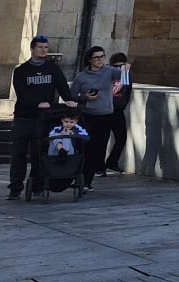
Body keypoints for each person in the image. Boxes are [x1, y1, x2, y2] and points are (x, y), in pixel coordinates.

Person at [8, 35, 75, 200]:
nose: (44, 50)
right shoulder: (21, 71)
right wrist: (38, 103)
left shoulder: (52, 68)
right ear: (32, 49)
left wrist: (70, 100)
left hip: (45, 118)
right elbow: (22, 94)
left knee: (40, 153)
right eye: (40, 47)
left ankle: (37, 185)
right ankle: (15, 188)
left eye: (46, 47)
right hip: (24, 117)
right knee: (19, 153)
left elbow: (62, 87)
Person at [70, 46, 122, 179]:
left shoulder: (109, 71)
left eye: (102, 56)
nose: (100, 60)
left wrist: (126, 70)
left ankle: (89, 179)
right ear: (89, 59)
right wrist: (85, 97)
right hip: (87, 115)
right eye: (96, 57)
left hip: (105, 115)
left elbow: (125, 80)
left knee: (99, 148)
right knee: (87, 147)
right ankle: (80, 176)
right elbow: (72, 95)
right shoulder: (82, 76)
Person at [47, 111, 92, 191]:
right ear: (62, 121)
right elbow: (50, 137)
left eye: (71, 122)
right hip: (55, 153)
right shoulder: (57, 128)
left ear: (76, 121)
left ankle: (64, 151)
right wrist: (61, 134)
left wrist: (73, 135)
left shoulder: (77, 128)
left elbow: (87, 137)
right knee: (56, 136)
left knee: (67, 137)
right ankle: (61, 150)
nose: (68, 124)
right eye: (66, 122)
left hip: (70, 154)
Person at [104, 51, 132, 174]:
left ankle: (111, 162)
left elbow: (126, 90)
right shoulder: (108, 73)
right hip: (105, 110)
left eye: (121, 66)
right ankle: (100, 165)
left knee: (121, 137)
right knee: (102, 139)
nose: (119, 69)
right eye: (117, 66)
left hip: (117, 110)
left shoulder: (125, 74)